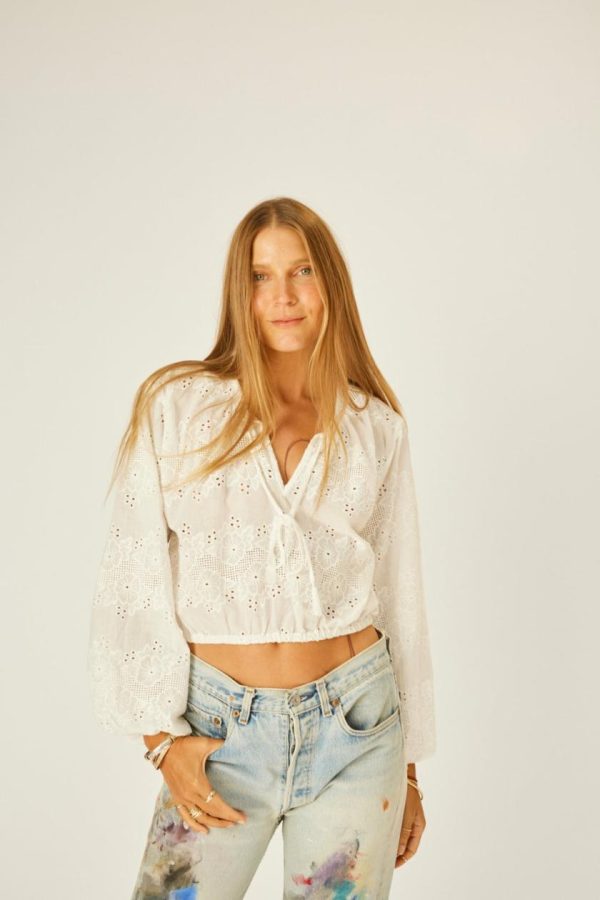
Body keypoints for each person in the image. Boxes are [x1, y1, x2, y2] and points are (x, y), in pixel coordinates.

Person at [87, 196, 437, 899]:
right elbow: (132, 575)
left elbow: (399, 593)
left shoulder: (374, 426)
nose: (283, 295)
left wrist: (407, 771)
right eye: (260, 276)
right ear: (238, 291)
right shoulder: (178, 407)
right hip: (220, 736)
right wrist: (160, 742)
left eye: (302, 271)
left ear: (330, 284)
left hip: (358, 729)